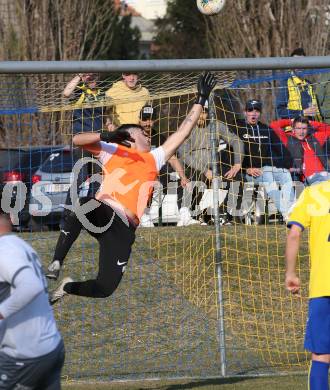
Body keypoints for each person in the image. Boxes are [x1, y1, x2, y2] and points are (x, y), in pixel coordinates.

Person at [49, 72, 216, 304]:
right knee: (86, 205)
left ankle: (68, 286)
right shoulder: (112, 150)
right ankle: (57, 260)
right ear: (128, 137)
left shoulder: (155, 157)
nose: (147, 135)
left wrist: (200, 99)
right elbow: (77, 139)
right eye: (141, 133)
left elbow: (183, 131)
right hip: (104, 212)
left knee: (105, 287)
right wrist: (107, 134)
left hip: (125, 229)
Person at [46, 73, 104, 279]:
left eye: (94, 75)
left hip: (99, 144)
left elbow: (109, 117)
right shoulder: (80, 90)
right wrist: (79, 77)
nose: (92, 79)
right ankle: (69, 218)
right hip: (82, 142)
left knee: (99, 185)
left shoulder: (104, 94)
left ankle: (94, 219)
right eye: (88, 76)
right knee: (79, 183)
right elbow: (65, 93)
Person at [0, 211, 64, 389]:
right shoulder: (21, 246)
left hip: (24, 356)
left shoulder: (4, 250)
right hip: (51, 347)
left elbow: (31, 286)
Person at [285, 180, 330, 390]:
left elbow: (294, 234)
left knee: (321, 355)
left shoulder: (313, 192)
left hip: (323, 286)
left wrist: (291, 273)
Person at [179, 100, 244, 224]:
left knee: (237, 178)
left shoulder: (216, 125)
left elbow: (236, 141)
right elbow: (184, 155)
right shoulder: (185, 128)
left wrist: (237, 163)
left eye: (204, 112)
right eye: (198, 113)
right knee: (198, 181)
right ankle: (198, 215)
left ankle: (227, 215)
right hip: (194, 168)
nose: (201, 116)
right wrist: (204, 170)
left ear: (208, 113)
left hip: (215, 166)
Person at [139, 104, 199, 227]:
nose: (147, 123)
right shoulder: (133, 136)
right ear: (139, 120)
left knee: (183, 183)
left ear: (154, 120)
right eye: (144, 119)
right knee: (147, 183)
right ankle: (143, 217)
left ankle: (184, 215)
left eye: (150, 119)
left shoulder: (159, 137)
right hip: (139, 175)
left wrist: (182, 176)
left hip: (159, 174)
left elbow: (172, 158)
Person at [235, 99, 295, 220]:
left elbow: (280, 149)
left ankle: (293, 209)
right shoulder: (237, 127)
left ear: (260, 113)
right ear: (245, 112)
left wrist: (288, 164)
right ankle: (286, 214)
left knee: (285, 174)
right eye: (250, 110)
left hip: (264, 168)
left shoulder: (265, 129)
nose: (253, 113)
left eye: (256, 110)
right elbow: (229, 152)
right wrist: (245, 169)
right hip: (246, 172)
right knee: (268, 177)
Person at [270, 116, 330, 185]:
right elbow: (272, 126)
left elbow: (328, 129)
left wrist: (310, 122)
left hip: (325, 174)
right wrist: (291, 121)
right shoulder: (287, 139)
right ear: (293, 129)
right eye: (298, 128)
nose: (301, 132)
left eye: (304, 128)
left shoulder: (315, 138)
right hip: (308, 180)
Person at [276, 47, 322, 120]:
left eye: (302, 62)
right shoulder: (285, 83)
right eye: (296, 62)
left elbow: (315, 111)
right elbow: (280, 111)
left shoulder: (309, 84)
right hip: (293, 128)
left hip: (311, 127)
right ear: (291, 65)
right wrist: (302, 112)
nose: (299, 65)